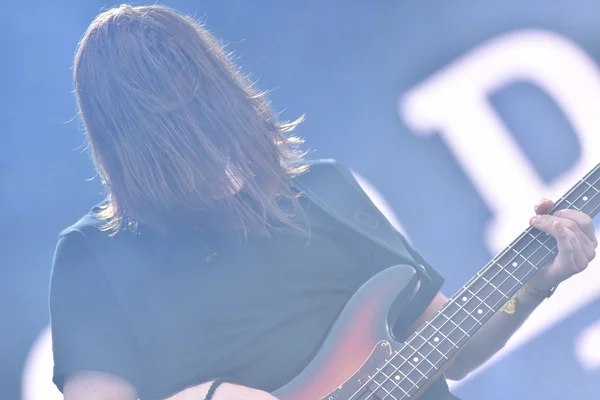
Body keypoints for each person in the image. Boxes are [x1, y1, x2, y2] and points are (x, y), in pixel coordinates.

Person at [49, 4, 598, 400]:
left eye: (192, 94)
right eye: (163, 114)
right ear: (124, 140)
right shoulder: (93, 258)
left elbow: (450, 350)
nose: (189, 120)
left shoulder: (324, 192)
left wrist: (536, 283)